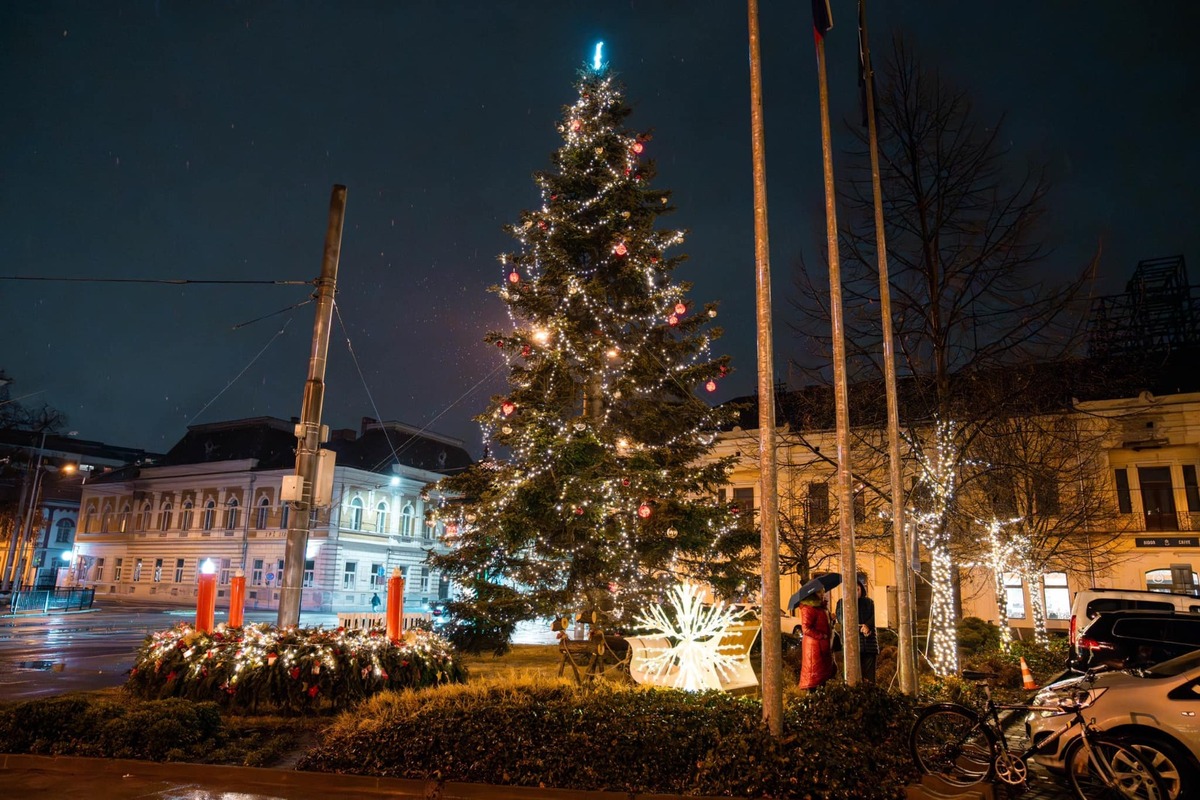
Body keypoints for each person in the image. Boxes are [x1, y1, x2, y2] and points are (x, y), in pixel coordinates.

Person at [835, 576, 879, 682]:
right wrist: (856, 626)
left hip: (869, 645)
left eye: (858, 589)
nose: (855, 592)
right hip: (851, 645)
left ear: (861, 589)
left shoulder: (869, 602)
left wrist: (868, 625)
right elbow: (842, 619)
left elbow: (876, 616)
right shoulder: (842, 603)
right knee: (853, 677)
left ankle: (870, 694)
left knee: (869, 677)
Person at [798, 586, 836, 690]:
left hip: (823, 645)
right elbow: (806, 628)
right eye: (819, 593)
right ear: (812, 594)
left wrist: (831, 620)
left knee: (824, 676)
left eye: (823, 592)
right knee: (814, 677)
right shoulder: (808, 608)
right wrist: (821, 636)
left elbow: (825, 624)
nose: (822, 595)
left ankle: (820, 700)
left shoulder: (822, 607)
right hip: (814, 647)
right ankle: (812, 701)